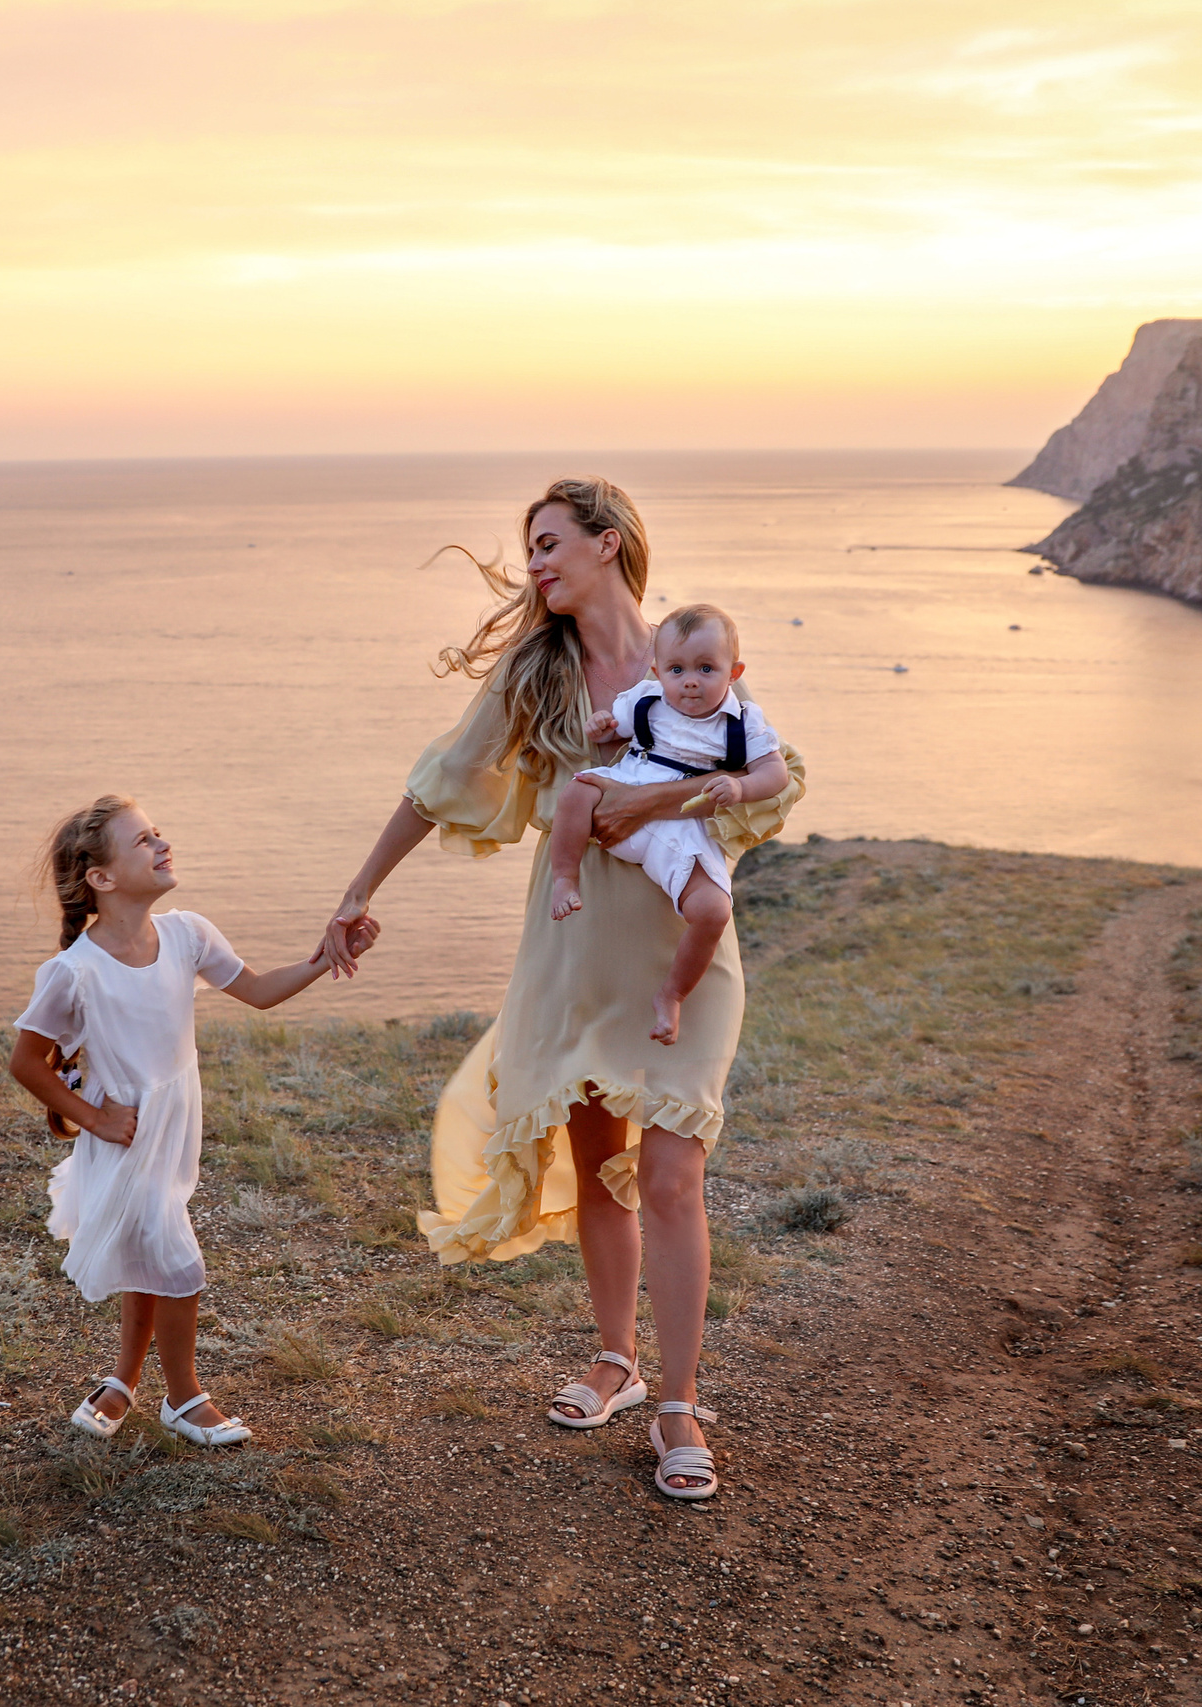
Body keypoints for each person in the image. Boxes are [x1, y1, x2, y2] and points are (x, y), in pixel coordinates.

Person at [319, 479, 803, 1500]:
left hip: (680, 951)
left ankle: (678, 1405)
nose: (535, 563)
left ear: (608, 543)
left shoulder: (690, 656)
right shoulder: (534, 674)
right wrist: (358, 889)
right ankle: (615, 1361)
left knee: (672, 1176)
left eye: (549, 543)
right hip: (575, 948)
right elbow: (438, 782)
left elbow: (773, 775)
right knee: (600, 1173)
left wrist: (653, 796)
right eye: (527, 548)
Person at [9, 795, 375, 1448]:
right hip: (125, 1139)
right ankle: (183, 1396)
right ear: (102, 877)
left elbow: (260, 991)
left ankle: (122, 1381)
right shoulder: (74, 972)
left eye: (158, 831)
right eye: (143, 839)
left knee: (146, 1252)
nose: (162, 842)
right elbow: (27, 1062)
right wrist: (94, 1118)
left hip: (175, 1128)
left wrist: (326, 956)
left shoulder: (188, 934)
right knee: (175, 1261)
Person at [543, 603, 782, 1046]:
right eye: (676, 669)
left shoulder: (744, 722)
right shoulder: (649, 699)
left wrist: (740, 787)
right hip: (628, 789)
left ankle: (672, 994)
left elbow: (776, 774)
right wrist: (602, 725)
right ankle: (564, 878)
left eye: (706, 668)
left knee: (713, 911)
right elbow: (612, 731)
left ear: (734, 672)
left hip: (679, 830)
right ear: (657, 670)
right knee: (577, 791)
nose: (690, 680)